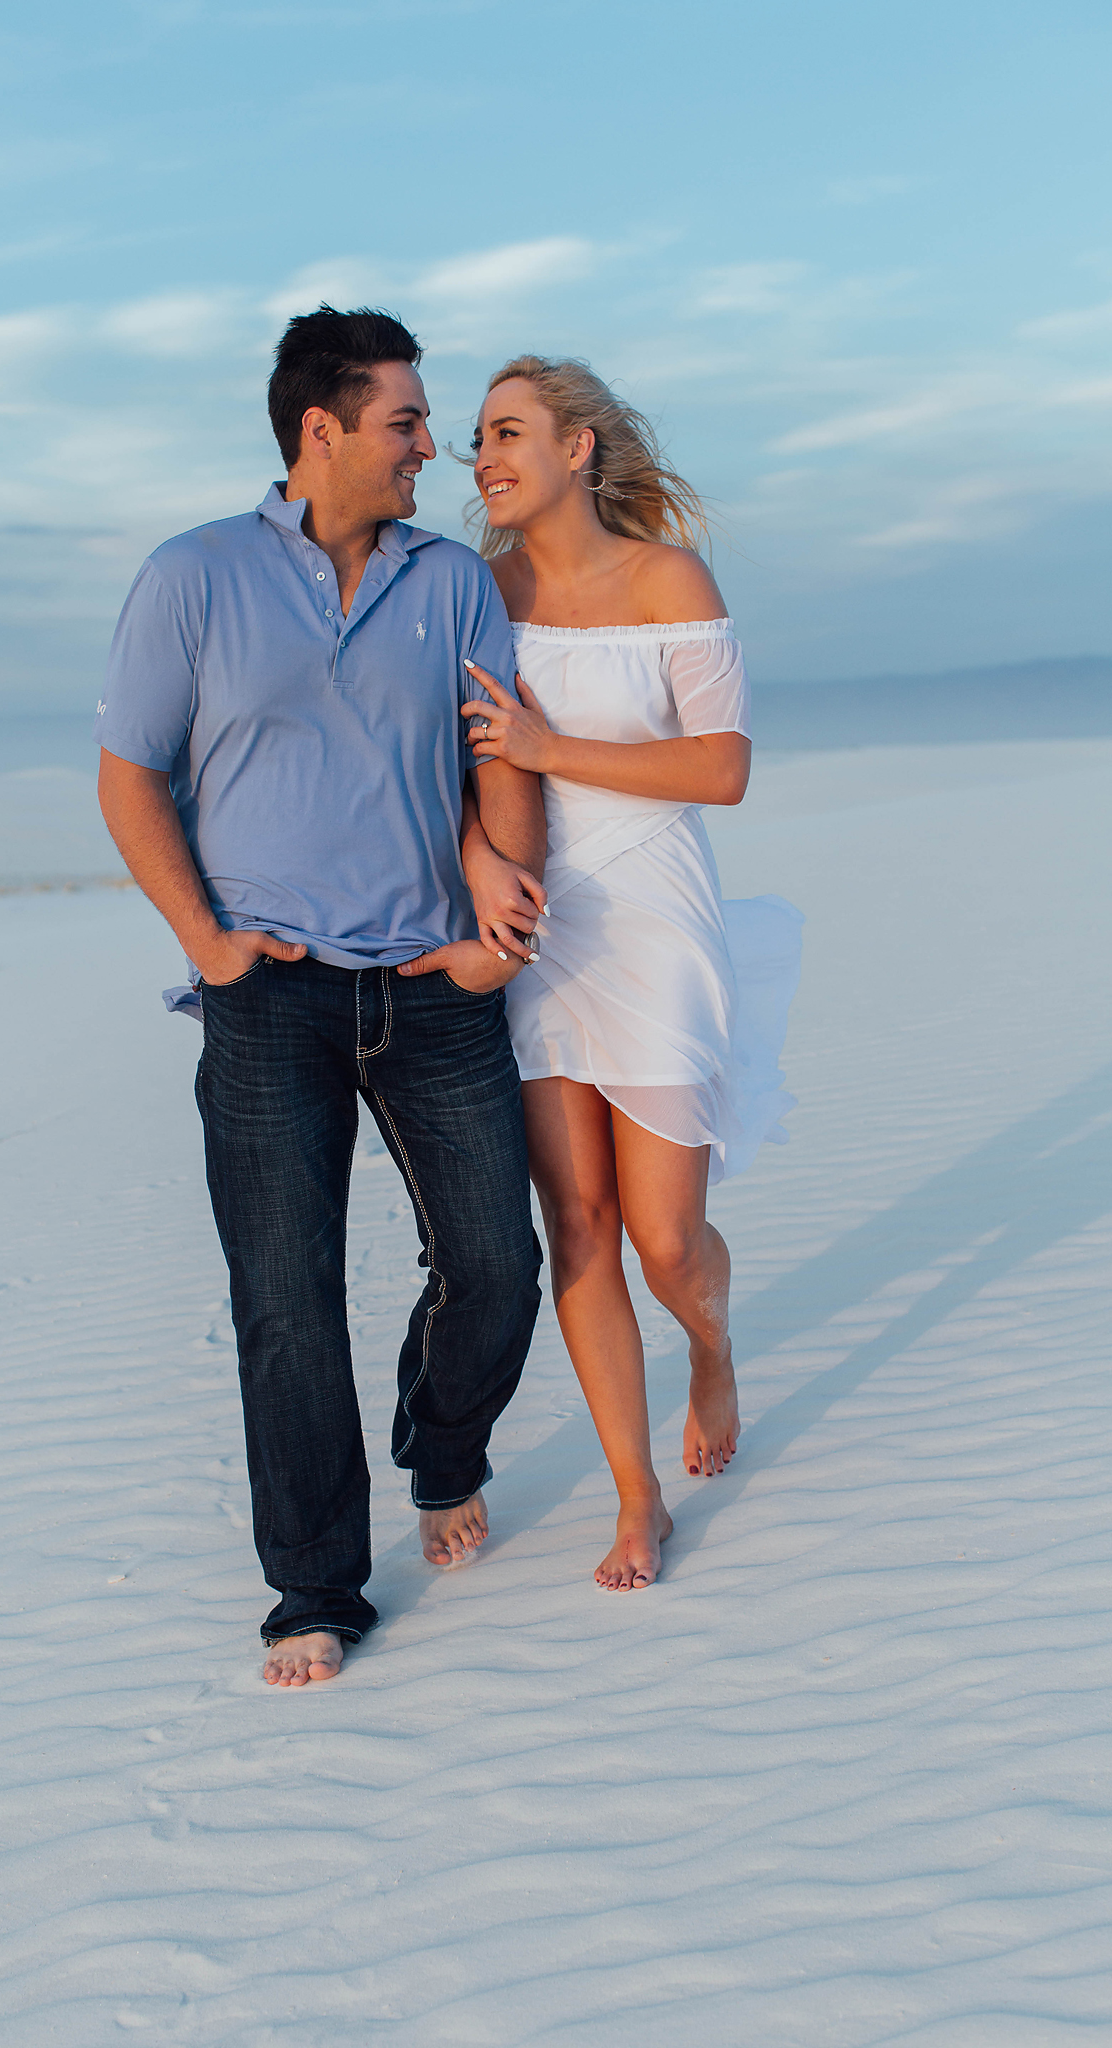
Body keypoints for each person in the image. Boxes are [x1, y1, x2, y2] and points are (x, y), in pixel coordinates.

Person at [94, 308, 546, 1686]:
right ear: (322, 431)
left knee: (496, 1268)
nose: (433, 447)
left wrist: (498, 917)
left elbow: (496, 761)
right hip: (268, 994)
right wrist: (209, 942)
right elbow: (131, 775)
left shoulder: (453, 581)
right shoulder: (193, 577)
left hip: (432, 986)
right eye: (408, 423)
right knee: (284, 1298)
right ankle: (315, 1588)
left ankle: (444, 1447)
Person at [458, 355, 802, 1594]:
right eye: (475, 439)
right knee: (582, 1228)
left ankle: (710, 1344)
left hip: (654, 916)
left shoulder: (669, 579)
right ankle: (636, 1493)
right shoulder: (477, 594)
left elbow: (723, 769)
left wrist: (555, 745)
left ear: (579, 449)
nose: (481, 456)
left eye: (507, 432)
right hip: (542, 930)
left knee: (663, 1235)